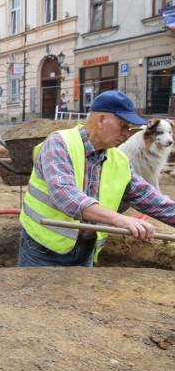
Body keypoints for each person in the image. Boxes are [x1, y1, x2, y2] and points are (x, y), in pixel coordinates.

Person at [18, 90, 175, 267]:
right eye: (122, 126)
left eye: (129, 128)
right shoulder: (60, 143)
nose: (126, 133)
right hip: (43, 249)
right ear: (101, 120)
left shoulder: (118, 159)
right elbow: (65, 195)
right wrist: (120, 219)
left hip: (86, 249)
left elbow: (151, 199)